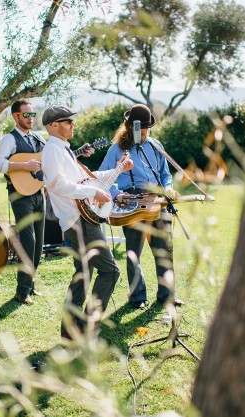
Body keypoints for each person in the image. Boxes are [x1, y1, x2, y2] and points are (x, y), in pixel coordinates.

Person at [40, 105, 133, 338]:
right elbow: (58, 184)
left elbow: (86, 178)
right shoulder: (52, 150)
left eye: (72, 121)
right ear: (53, 125)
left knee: (84, 274)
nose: (73, 125)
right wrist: (92, 194)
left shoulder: (64, 149)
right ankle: (87, 327)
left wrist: (119, 169)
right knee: (110, 271)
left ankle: (70, 333)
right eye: (67, 121)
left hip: (81, 217)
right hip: (79, 220)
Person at [99, 104, 183, 309]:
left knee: (164, 250)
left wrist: (168, 188)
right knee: (134, 252)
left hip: (157, 200)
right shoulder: (117, 148)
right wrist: (117, 194)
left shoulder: (155, 145)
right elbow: (102, 177)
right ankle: (137, 297)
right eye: (140, 128)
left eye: (146, 127)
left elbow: (164, 174)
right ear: (129, 127)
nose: (144, 131)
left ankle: (167, 296)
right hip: (132, 202)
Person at [0, 99, 46, 305]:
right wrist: (25, 164)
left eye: (32, 115)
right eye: (26, 115)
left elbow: (51, 159)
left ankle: (30, 285)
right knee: (28, 241)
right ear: (16, 116)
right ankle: (22, 292)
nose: (31, 119)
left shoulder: (39, 138)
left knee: (39, 243)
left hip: (39, 194)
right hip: (20, 195)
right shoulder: (9, 139)